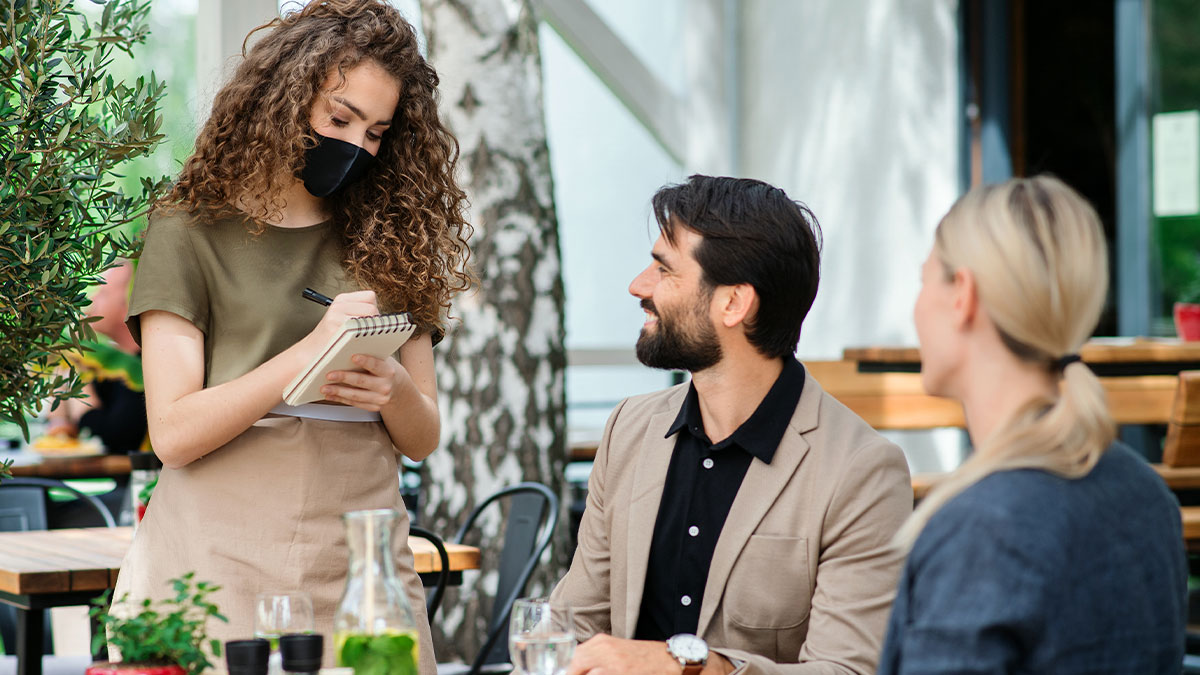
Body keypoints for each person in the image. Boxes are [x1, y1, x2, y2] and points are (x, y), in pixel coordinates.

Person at [110, 1, 471, 671]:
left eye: (376, 132)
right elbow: (175, 433)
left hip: (361, 566)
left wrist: (391, 387)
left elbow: (422, 436)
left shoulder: (390, 236)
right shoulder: (188, 230)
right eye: (340, 118)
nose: (357, 146)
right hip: (214, 559)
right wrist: (308, 353)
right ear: (282, 98)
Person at [553, 175, 913, 674]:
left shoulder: (861, 471)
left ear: (733, 304)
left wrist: (694, 668)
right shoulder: (628, 429)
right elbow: (572, 624)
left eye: (664, 270)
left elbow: (846, 671)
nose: (639, 286)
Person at [878, 176, 1187, 673]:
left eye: (923, 280)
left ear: (963, 294)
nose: (916, 308)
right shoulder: (1146, 495)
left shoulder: (980, 532)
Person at [45, 260, 149, 453]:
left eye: (102, 294)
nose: (90, 302)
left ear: (127, 303)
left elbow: (119, 437)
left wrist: (82, 403)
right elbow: (64, 424)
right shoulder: (110, 364)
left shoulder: (144, 367)